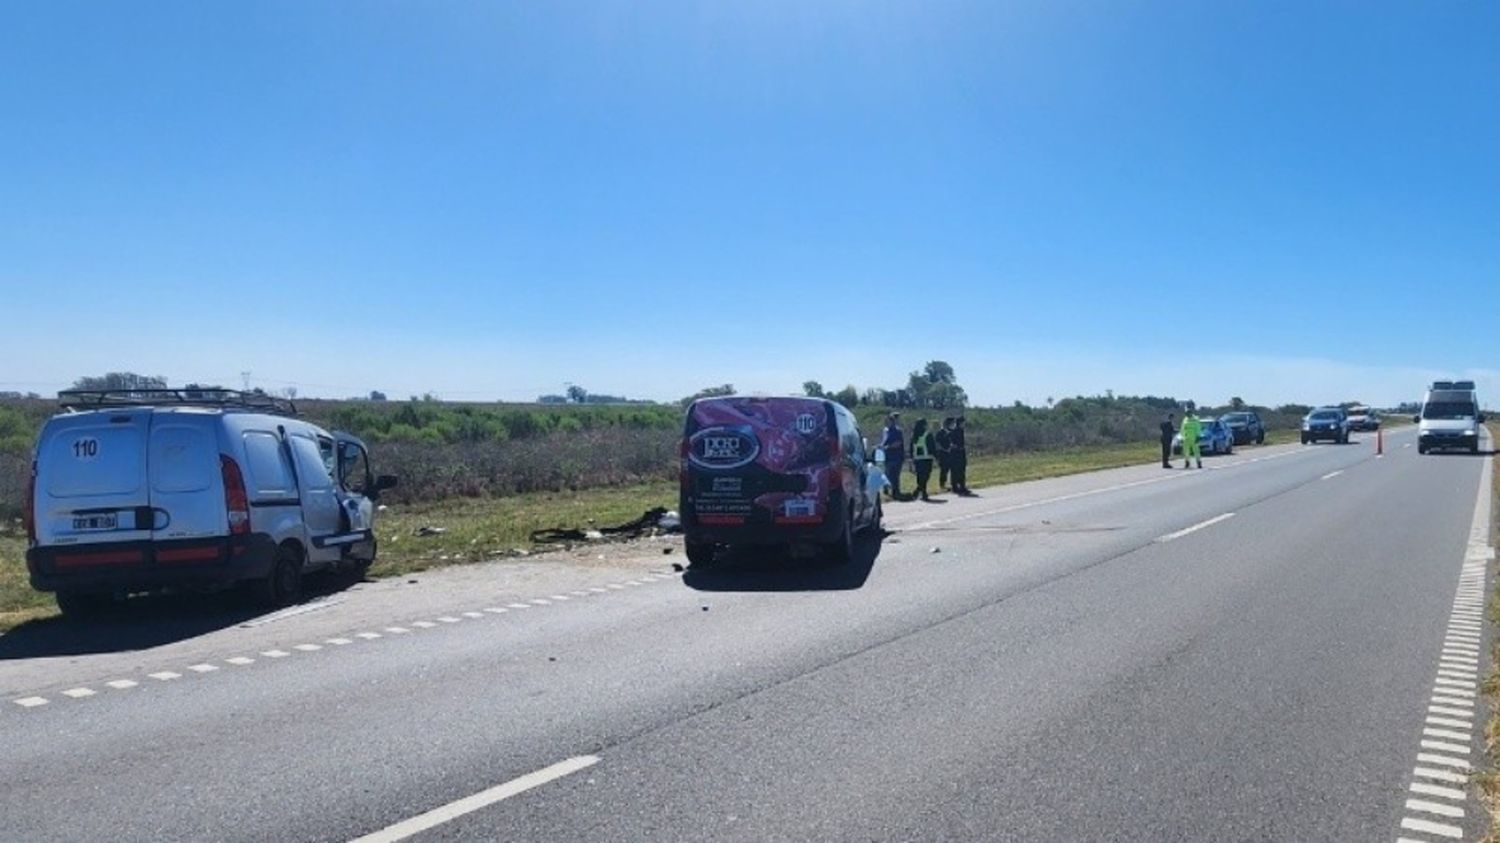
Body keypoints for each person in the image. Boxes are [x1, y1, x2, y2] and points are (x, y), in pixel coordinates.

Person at [877, 412, 905, 499]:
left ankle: (896, 492)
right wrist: (880, 446)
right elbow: (884, 442)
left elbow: (898, 443)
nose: (886, 423)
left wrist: (887, 447)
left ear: (892, 422)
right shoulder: (885, 431)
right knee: (887, 474)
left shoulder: (897, 431)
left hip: (896, 456)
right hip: (887, 457)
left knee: (894, 475)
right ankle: (887, 490)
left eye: (888, 421)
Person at [909, 418, 937, 501]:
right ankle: (920, 491)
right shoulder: (927, 434)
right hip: (927, 459)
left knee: (920, 477)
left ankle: (920, 491)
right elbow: (932, 447)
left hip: (917, 459)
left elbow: (911, 448)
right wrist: (936, 456)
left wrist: (911, 458)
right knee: (925, 476)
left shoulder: (913, 435)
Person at [950, 416, 970, 495]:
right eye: (963, 422)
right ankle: (958, 486)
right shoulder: (956, 431)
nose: (964, 424)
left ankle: (960, 486)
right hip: (957, 453)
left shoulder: (960, 431)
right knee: (957, 470)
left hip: (960, 452)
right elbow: (952, 442)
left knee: (960, 470)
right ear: (960, 423)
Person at [935, 417, 955, 490]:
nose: (954, 424)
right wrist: (945, 449)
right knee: (944, 470)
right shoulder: (940, 432)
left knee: (953, 469)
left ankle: (953, 483)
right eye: (952, 423)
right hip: (943, 454)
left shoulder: (952, 432)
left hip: (952, 453)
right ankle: (942, 484)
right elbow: (937, 444)